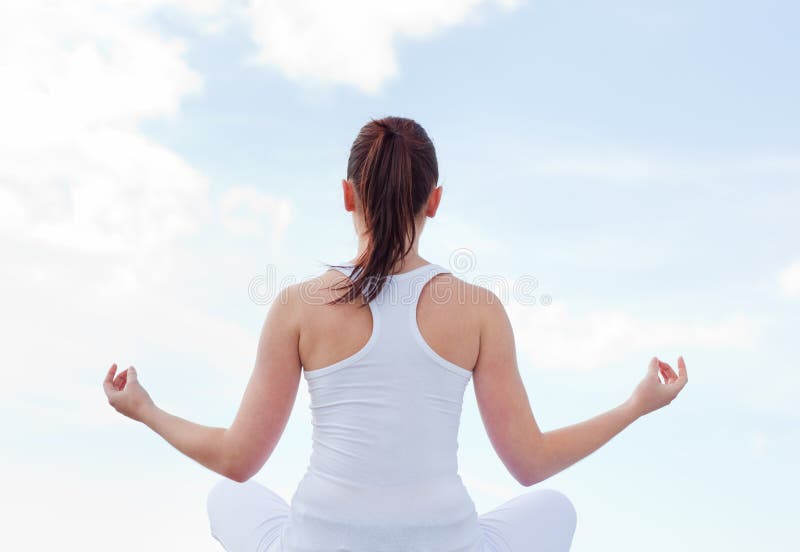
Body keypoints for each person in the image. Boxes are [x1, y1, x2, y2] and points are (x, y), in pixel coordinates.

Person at [102, 116, 689, 552]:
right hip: (445, 541)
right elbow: (529, 465)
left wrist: (146, 409)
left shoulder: (297, 307)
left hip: (318, 541)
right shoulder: (479, 310)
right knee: (554, 509)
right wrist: (637, 404)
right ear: (434, 202)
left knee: (225, 498)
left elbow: (237, 461)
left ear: (347, 194)